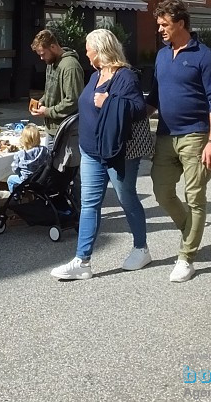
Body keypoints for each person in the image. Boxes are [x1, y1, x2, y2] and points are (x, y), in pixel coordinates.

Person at [51, 29, 148, 280]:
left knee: (127, 199)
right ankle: (82, 261)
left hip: (118, 152)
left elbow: (139, 108)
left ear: (101, 50)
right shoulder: (95, 75)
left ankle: (141, 248)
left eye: (88, 48)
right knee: (89, 205)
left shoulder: (125, 76)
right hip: (91, 151)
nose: (86, 53)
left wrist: (108, 101)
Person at [147, 0, 211, 283]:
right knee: (162, 192)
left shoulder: (204, 56)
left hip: (195, 136)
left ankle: (186, 257)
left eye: (164, 24)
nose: (160, 29)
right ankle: (190, 231)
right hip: (165, 135)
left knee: (195, 197)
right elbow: (153, 98)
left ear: (180, 23)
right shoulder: (162, 55)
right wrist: (129, 118)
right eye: (159, 24)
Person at [30, 29, 84, 136]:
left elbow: (73, 100)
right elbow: (50, 90)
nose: (41, 58)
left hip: (67, 130)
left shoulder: (70, 66)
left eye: (43, 54)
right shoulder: (51, 63)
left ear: (53, 47)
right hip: (52, 128)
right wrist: (42, 101)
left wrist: (47, 111)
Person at [7, 125, 49, 193]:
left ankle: (15, 197)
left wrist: (20, 174)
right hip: (41, 178)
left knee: (10, 179)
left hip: (26, 179)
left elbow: (15, 169)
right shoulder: (44, 150)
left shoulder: (20, 154)